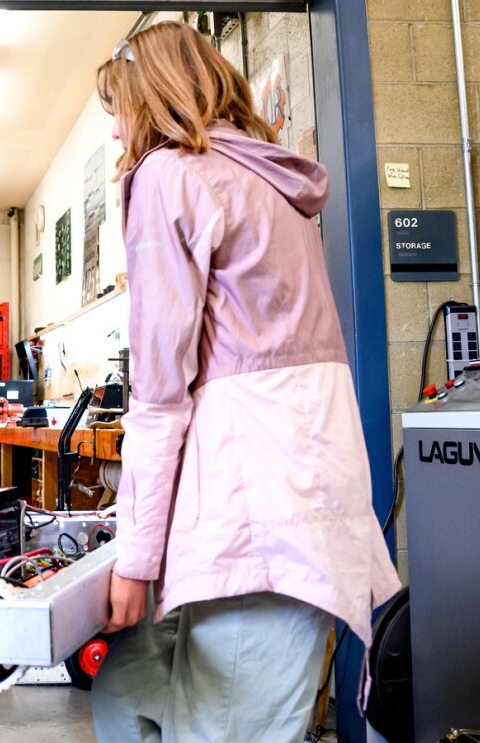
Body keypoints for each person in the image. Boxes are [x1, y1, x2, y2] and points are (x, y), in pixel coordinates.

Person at [89, 22, 400, 742]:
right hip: (303, 506)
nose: (115, 135)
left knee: (222, 724)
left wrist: (134, 560)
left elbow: (161, 397)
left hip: (254, 520)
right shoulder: (270, 179)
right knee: (129, 686)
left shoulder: (170, 175)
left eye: (120, 109)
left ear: (154, 96)